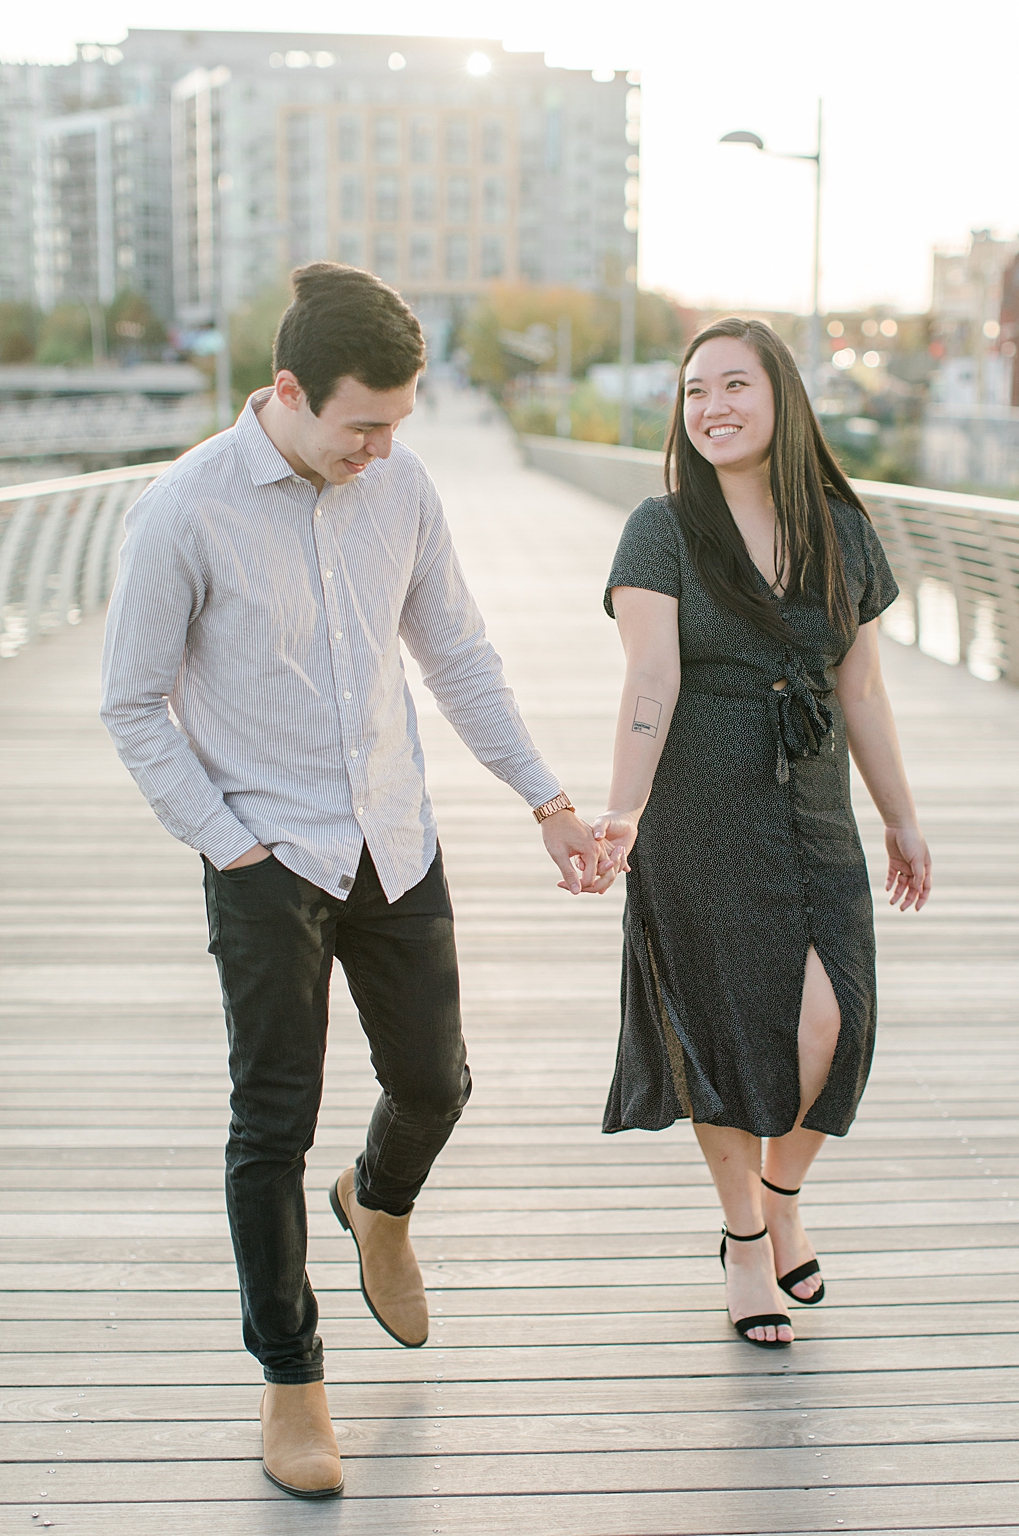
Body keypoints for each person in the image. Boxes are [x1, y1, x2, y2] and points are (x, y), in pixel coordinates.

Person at [100, 262, 616, 1498]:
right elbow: (131, 701)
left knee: (435, 1080)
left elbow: (458, 656)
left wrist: (548, 802)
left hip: (395, 835)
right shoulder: (186, 509)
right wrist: (225, 841)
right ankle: (293, 1380)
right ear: (288, 391)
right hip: (264, 853)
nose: (382, 450)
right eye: (361, 427)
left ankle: (377, 1204)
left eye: (400, 425)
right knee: (268, 1126)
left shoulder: (404, 487)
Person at [593, 317, 931, 1349]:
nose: (711, 408)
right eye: (694, 391)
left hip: (811, 805)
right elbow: (649, 679)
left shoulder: (841, 528)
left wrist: (901, 817)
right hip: (700, 807)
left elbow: (861, 689)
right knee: (729, 1030)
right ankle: (746, 1238)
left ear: (782, 399)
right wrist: (622, 812)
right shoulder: (660, 530)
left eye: (733, 385)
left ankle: (780, 1190)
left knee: (837, 1026)